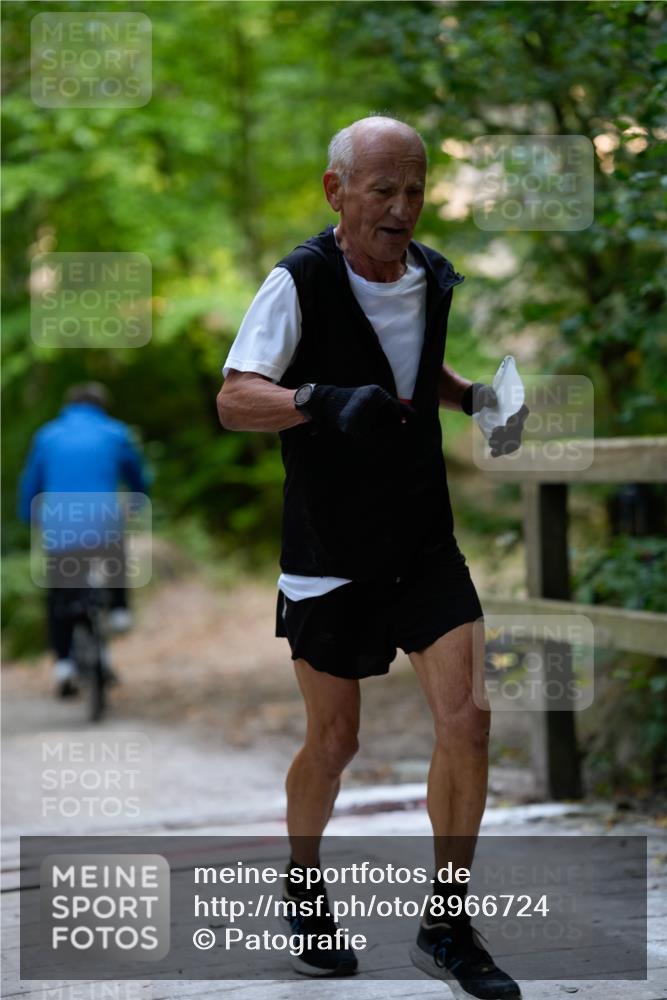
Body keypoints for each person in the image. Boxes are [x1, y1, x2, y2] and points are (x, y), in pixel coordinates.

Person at [217, 116, 525, 998]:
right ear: (335, 191)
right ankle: (303, 878)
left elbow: (412, 362)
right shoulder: (299, 280)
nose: (400, 208)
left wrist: (473, 399)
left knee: (466, 719)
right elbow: (237, 398)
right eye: (382, 190)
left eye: (414, 191)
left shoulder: (428, 275)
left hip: (422, 538)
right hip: (328, 546)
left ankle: (448, 923)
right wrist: (315, 399)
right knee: (335, 739)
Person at [18, 382, 149, 696]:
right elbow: (136, 476)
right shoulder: (115, 432)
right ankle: (118, 609)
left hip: (61, 524)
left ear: (69, 405)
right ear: (101, 406)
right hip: (103, 520)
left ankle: (63, 663)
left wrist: (29, 516)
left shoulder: (48, 435)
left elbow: (31, 484)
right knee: (115, 550)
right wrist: (139, 500)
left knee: (59, 591)